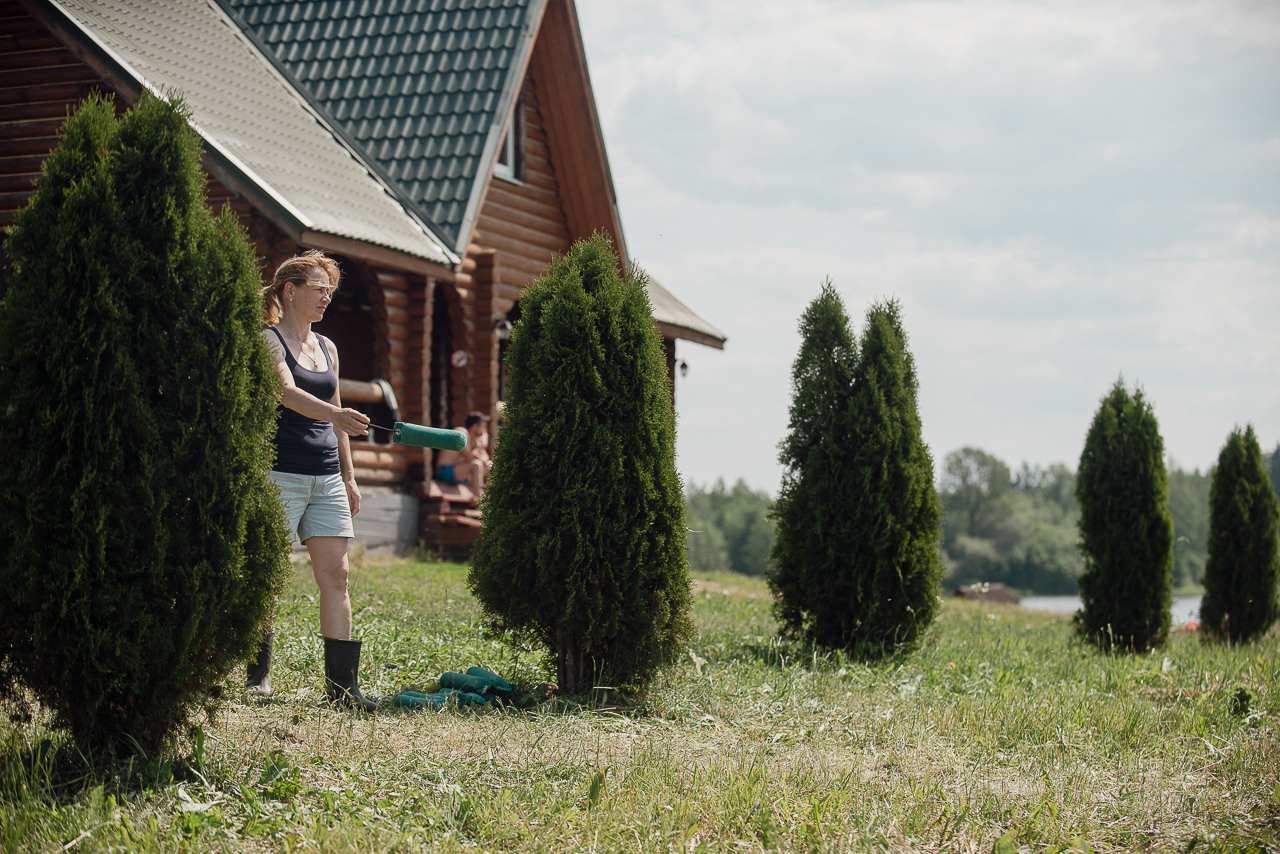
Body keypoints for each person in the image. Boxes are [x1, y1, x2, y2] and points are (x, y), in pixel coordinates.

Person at [248, 250, 376, 711]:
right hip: (279, 473)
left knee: (337, 575)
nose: (326, 297)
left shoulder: (328, 348)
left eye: (330, 290)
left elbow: (338, 422)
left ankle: (343, 688)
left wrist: (350, 476)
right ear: (289, 290)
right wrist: (336, 413)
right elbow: (285, 393)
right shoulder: (268, 340)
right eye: (319, 289)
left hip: (326, 478)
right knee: (264, 576)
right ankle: (256, 675)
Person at [434, 411, 492, 499]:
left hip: (457, 471)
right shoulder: (462, 433)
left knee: (489, 466)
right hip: (444, 470)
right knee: (476, 465)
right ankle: (479, 498)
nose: (485, 430)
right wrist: (480, 446)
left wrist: (480, 447)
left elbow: (485, 460)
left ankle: (492, 497)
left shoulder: (472, 440)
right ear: (475, 426)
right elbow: (469, 457)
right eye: (483, 426)